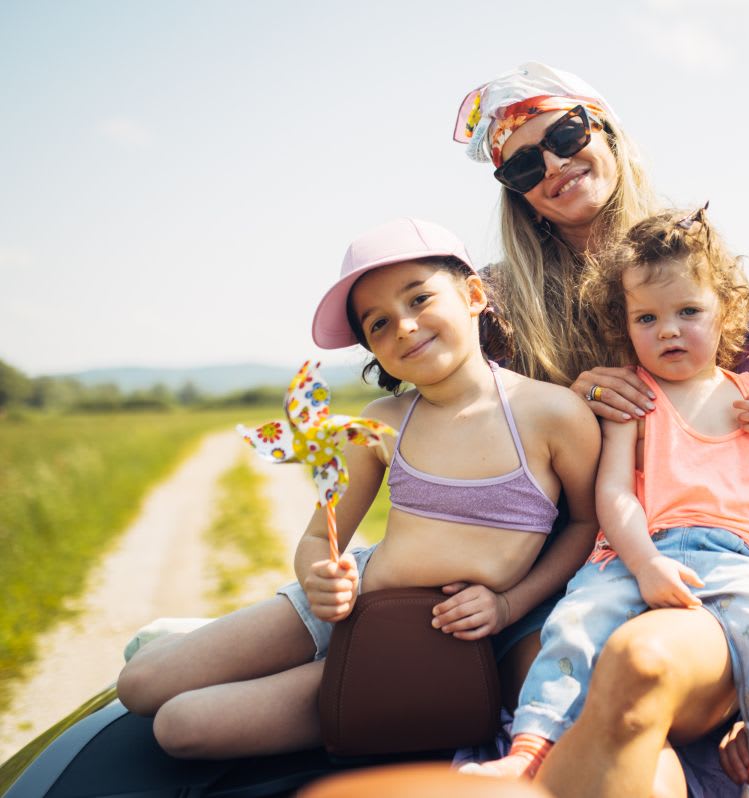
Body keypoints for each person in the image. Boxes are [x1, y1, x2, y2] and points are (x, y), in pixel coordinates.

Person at [458, 64, 749, 798]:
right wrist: (566, 399)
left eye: (567, 134)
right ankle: (531, 752)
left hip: (730, 559)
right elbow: (474, 423)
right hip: (590, 561)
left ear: (606, 131)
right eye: (523, 163)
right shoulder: (502, 304)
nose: (553, 164)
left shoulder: (698, 265)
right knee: (609, 694)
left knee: (650, 677)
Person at [115, 217, 601, 758]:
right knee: (138, 684)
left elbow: (584, 525)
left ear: (474, 295)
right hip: (345, 603)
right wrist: (318, 581)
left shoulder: (553, 414)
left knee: (181, 727)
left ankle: (298, 671)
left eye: (419, 299)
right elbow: (320, 540)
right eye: (379, 324)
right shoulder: (382, 420)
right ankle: (247, 645)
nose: (405, 327)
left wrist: (509, 605)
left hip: (420, 644)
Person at [467, 208, 749, 797]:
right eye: (647, 318)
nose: (669, 331)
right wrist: (645, 562)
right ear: (625, 326)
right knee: (576, 623)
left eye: (688, 312)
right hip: (635, 547)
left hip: (738, 555)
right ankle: (529, 749)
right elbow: (613, 493)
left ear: (725, 313)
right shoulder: (635, 395)